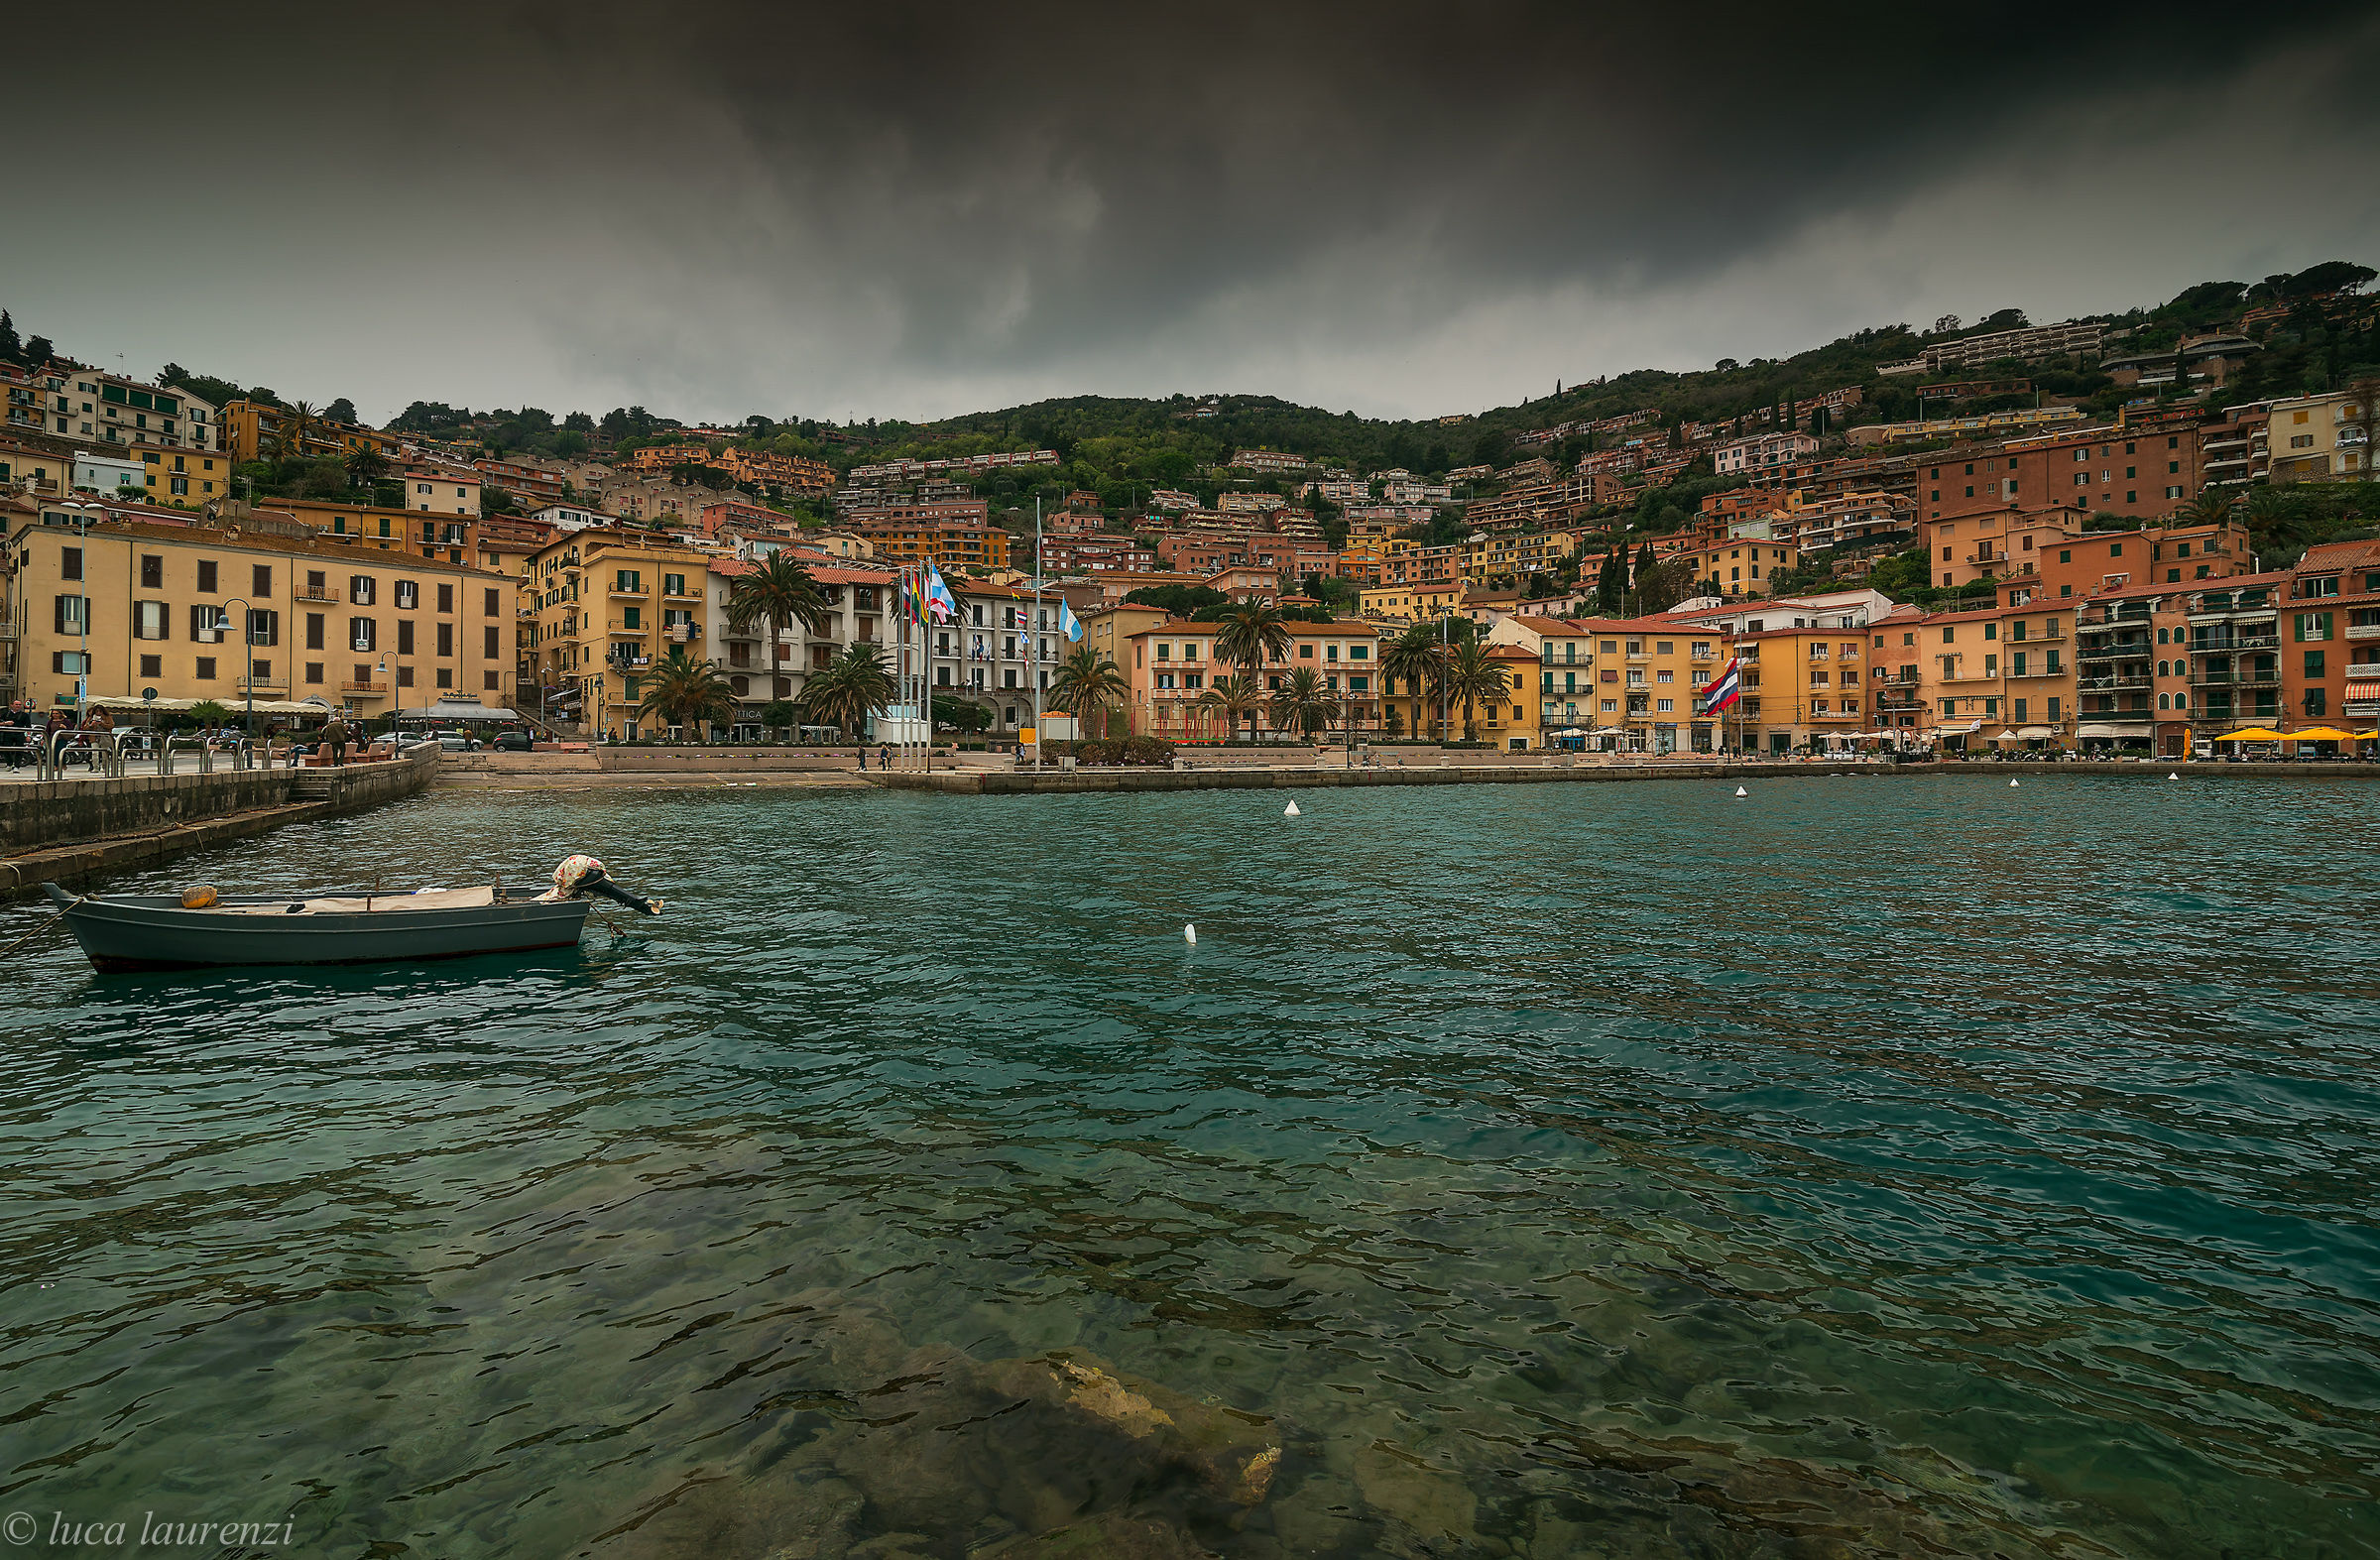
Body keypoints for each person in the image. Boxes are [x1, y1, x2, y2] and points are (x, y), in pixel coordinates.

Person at [0, 699, 31, 770]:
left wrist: (28, 736)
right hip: (7, 734)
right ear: (12, 705)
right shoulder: (6, 714)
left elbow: (28, 726)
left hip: (19, 734)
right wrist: (5, 723)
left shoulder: (25, 715)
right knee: (5, 749)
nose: (18, 706)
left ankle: (17, 766)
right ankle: (9, 764)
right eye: (16, 704)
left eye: (19, 705)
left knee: (19, 750)